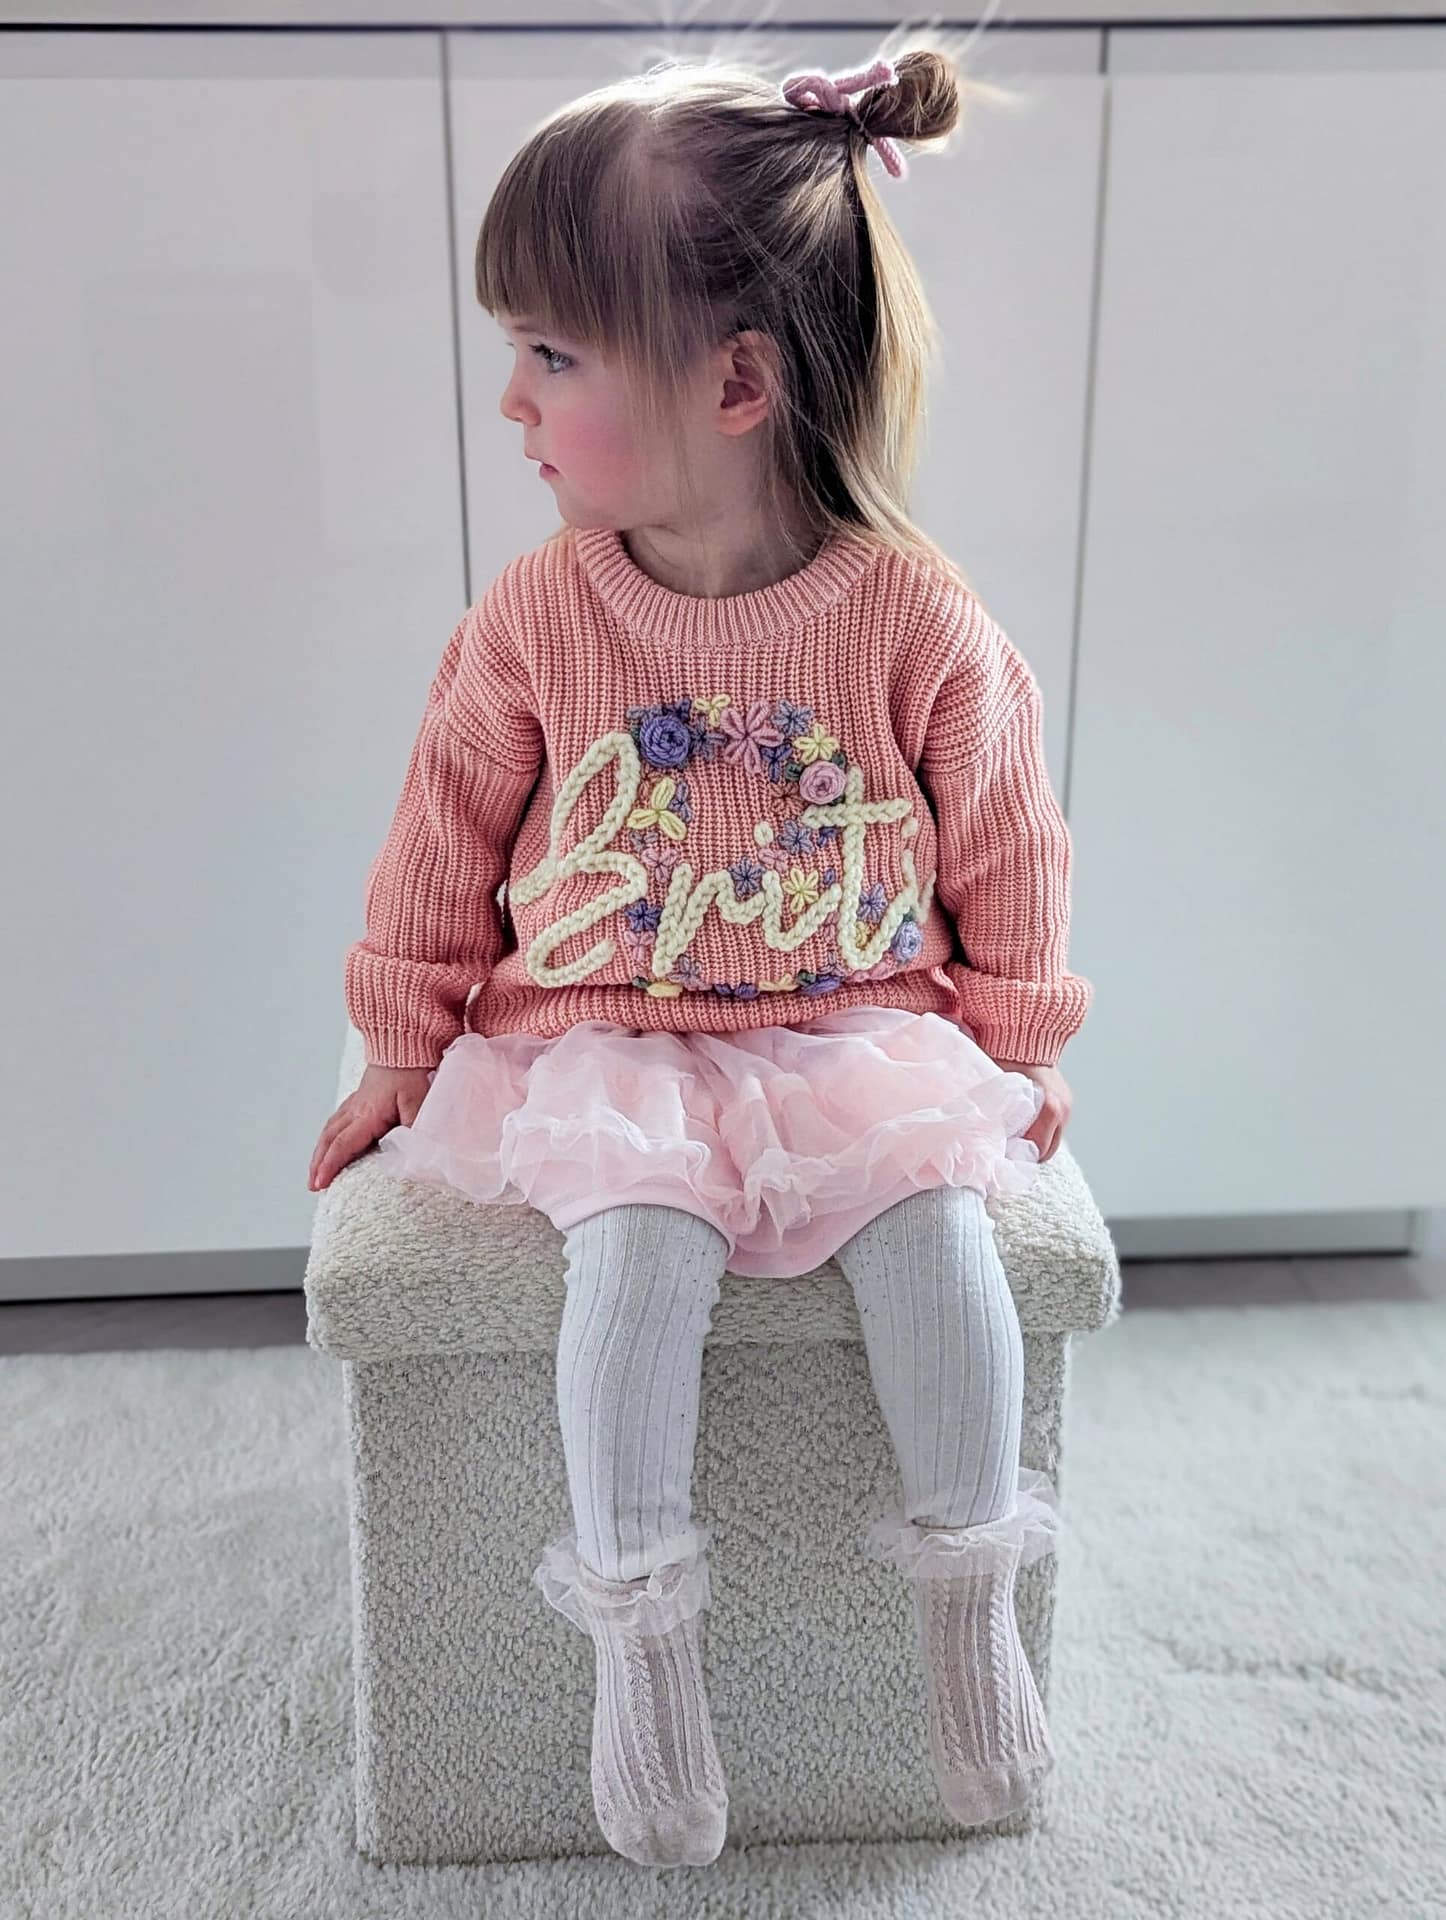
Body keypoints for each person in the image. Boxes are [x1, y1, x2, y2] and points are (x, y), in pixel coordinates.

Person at [308, 38, 1093, 1871]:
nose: (511, 401)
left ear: (734, 381)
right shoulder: (538, 615)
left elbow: (1004, 835)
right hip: (607, 1038)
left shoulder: (910, 618)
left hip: (850, 1027)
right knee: (635, 1264)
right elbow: (440, 842)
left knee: (936, 1243)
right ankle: (641, 1661)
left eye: (552, 355)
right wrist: (402, 1047)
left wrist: (1016, 1032)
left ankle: (966, 1613)